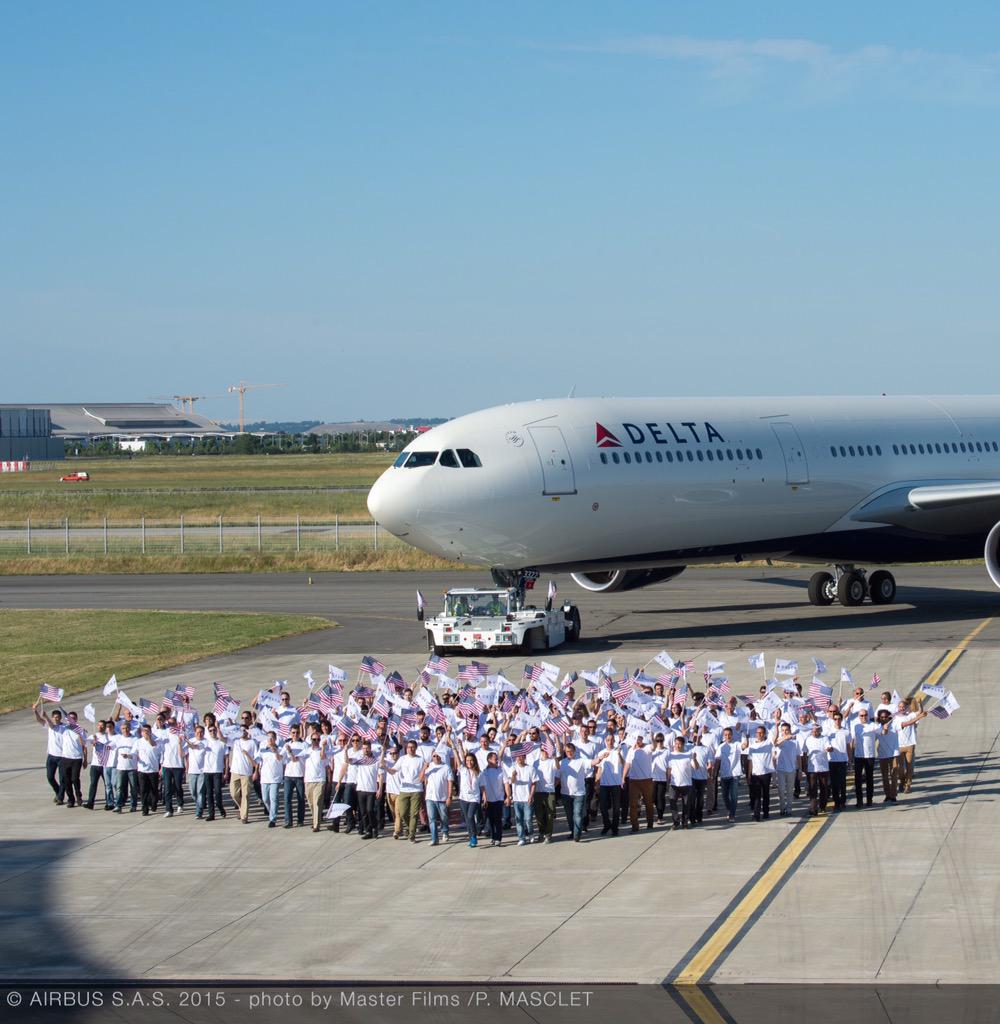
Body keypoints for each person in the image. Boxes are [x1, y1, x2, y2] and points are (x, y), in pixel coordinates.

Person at [385, 740, 425, 843]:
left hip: (417, 789)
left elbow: (423, 775)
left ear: (416, 748)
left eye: (412, 747)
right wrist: (385, 767)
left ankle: (412, 835)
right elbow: (393, 771)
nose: (410, 749)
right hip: (404, 789)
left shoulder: (421, 760)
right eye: (408, 747)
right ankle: (409, 827)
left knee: (414, 813)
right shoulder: (402, 759)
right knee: (402, 813)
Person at [33, 702, 67, 803]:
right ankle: (58, 792)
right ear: (52, 717)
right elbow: (40, 720)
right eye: (54, 717)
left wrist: (46, 716)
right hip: (51, 756)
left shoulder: (64, 727)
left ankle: (60, 797)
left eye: (58, 717)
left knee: (62, 778)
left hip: (62, 756)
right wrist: (35, 711)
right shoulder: (49, 725)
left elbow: (52, 726)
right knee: (50, 777)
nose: (56, 719)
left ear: (60, 718)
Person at [623, 734, 655, 832]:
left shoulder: (648, 747)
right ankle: (634, 826)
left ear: (642, 739)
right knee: (633, 804)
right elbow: (627, 764)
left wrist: (652, 737)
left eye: (640, 739)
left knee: (648, 803)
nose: (638, 741)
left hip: (646, 780)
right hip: (633, 780)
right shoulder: (631, 750)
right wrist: (623, 777)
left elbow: (654, 746)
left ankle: (650, 823)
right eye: (636, 739)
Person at [594, 734, 625, 836]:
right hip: (604, 783)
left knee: (616, 807)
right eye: (608, 740)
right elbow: (599, 768)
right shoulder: (601, 753)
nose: (610, 742)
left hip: (616, 783)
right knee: (603, 807)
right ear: (605, 741)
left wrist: (619, 754)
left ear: (614, 741)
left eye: (612, 740)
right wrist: (597, 782)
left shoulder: (618, 751)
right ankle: (607, 825)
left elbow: (623, 763)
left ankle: (615, 828)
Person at [894, 699, 927, 793]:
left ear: (907, 708)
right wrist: (919, 717)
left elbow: (920, 711)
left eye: (903, 707)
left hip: (909, 745)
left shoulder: (910, 715)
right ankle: (902, 781)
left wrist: (920, 704)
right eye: (900, 707)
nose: (901, 708)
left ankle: (908, 785)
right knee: (900, 768)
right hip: (899, 745)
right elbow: (906, 724)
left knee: (909, 767)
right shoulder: (895, 718)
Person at [421, 750, 452, 845]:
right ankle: (434, 838)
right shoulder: (429, 766)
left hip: (442, 797)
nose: (436, 757)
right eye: (434, 756)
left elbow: (450, 782)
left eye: (438, 756)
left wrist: (449, 797)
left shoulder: (446, 767)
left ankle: (445, 831)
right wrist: (424, 768)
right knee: (432, 819)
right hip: (430, 797)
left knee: (444, 817)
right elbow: (421, 779)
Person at [354, 740, 383, 839]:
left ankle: (374, 827)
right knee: (363, 812)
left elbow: (380, 775)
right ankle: (368, 831)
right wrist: (345, 750)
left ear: (370, 748)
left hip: (371, 789)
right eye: (363, 748)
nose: (365, 750)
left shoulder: (376, 761)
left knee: (370, 810)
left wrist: (380, 789)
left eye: (367, 748)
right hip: (360, 789)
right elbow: (347, 761)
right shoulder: (360, 760)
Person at [745, 725, 775, 822]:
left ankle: (766, 812)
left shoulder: (768, 743)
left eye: (761, 732)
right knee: (757, 795)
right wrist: (749, 774)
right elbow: (750, 761)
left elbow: (775, 737)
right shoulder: (752, 746)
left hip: (766, 773)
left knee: (766, 794)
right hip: (755, 774)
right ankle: (756, 815)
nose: (759, 734)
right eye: (758, 732)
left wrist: (777, 725)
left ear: (764, 734)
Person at [506, 752, 537, 846]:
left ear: (524, 757)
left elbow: (534, 783)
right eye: (517, 757)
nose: (519, 758)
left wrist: (531, 795)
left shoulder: (530, 768)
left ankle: (531, 834)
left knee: (528, 819)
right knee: (519, 820)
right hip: (517, 799)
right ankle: (521, 838)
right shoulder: (513, 768)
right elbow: (511, 782)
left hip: (527, 798)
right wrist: (513, 776)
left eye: (521, 756)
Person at [666, 735, 697, 829]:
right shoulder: (670, 755)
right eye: (676, 743)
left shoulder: (689, 754)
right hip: (674, 784)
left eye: (679, 744)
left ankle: (685, 822)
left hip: (686, 784)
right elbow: (669, 769)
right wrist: (667, 781)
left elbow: (696, 767)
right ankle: (676, 821)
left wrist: (694, 759)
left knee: (686, 805)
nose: (677, 745)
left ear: (683, 745)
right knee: (672, 802)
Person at [227, 727, 257, 824]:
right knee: (234, 793)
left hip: (247, 772)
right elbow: (223, 739)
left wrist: (256, 771)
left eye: (244, 730)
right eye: (241, 730)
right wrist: (218, 728)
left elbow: (256, 760)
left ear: (248, 731)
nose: (242, 732)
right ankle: (242, 808)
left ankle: (244, 816)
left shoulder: (252, 743)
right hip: (235, 771)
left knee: (246, 795)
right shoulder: (235, 741)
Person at [851, 708, 879, 807]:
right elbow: (852, 740)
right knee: (857, 779)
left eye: (865, 715)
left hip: (869, 755)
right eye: (861, 715)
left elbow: (882, 732)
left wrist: (884, 728)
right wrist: (851, 756)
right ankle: (859, 801)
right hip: (858, 755)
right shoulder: (855, 726)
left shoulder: (873, 725)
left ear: (868, 715)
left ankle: (869, 800)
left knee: (869, 778)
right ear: (859, 716)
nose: (864, 717)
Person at [803, 721, 832, 815]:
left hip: (823, 767)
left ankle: (823, 806)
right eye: (813, 731)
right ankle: (813, 808)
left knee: (824, 788)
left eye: (817, 731)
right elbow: (804, 753)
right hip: (812, 768)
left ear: (820, 731)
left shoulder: (824, 738)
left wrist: (829, 749)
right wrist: (804, 766)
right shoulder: (808, 739)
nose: (815, 732)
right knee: (812, 789)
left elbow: (829, 747)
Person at [479, 751, 507, 846]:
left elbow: (506, 784)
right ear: (489, 760)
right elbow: (482, 786)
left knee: (498, 819)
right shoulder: (484, 772)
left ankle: (498, 838)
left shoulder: (501, 770)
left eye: (497, 759)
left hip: (499, 799)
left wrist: (508, 796)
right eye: (495, 759)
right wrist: (484, 798)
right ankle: (493, 837)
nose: (497, 760)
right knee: (490, 820)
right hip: (488, 800)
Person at [257, 732, 285, 827]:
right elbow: (258, 761)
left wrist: (275, 751)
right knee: (265, 799)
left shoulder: (280, 749)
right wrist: (257, 770)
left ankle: (273, 819)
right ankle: (271, 813)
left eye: (272, 737)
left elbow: (280, 759)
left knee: (274, 798)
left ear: (275, 739)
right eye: (268, 738)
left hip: (275, 778)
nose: (270, 739)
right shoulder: (262, 749)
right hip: (264, 778)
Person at [715, 727, 743, 822]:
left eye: (729, 734)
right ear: (724, 736)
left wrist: (745, 737)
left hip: (735, 774)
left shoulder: (737, 744)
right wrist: (715, 773)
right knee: (724, 796)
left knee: (734, 796)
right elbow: (717, 760)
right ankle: (729, 809)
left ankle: (732, 814)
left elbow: (744, 746)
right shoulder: (721, 746)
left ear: (732, 735)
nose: (728, 736)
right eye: (726, 735)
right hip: (724, 774)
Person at [201, 724, 228, 820]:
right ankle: (211, 814)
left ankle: (220, 807)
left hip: (218, 771)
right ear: (208, 732)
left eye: (214, 730)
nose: (212, 732)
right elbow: (195, 747)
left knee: (217, 792)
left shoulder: (222, 743)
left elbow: (226, 758)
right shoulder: (205, 742)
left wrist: (226, 772)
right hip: (207, 771)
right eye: (210, 730)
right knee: (209, 793)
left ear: (217, 731)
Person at [84, 720, 113, 810]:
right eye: (99, 725)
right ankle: (90, 803)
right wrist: (91, 741)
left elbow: (111, 747)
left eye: (102, 725)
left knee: (107, 785)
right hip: (95, 764)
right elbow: (85, 743)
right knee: (93, 784)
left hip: (105, 764)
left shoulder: (108, 736)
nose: (100, 727)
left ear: (105, 727)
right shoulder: (94, 736)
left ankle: (109, 803)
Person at [455, 750, 482, 847]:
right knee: (467, 819)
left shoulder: (479, 772)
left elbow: (482, 786)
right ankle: (471, 837)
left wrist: (484, 796)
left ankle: (474, 836)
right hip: (464, 798)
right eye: (467, 760)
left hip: (474, 798)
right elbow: (458, 758)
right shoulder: (463, 770)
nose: (469, 762)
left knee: (470, 816)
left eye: (471, 760)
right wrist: (455, 747)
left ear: (474, 761)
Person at [533, 742, 558, 843]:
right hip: (538, 791)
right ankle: (541, 832)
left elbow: (558, 767)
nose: (545, 752)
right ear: (540, 751)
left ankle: (548, 835)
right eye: (543, 750)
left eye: (547, 750)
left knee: (550, 814)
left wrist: (555, 757)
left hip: (549, 791)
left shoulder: (552, 761)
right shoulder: (535, 763)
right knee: (539, 814)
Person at [111, 721, 139, 813]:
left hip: (132, 767)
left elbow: (137, 753)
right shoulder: (118, 739)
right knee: (119, 787)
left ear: (130, 728)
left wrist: (129, 756)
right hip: (121, 767)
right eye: (123, 728)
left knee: (133, 788)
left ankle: (133, 805)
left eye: (127, 728)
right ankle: (118, 805)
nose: (125, 730)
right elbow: (109, 747)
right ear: (121, 730)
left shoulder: (135, 739)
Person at [134, 725, 162, 816]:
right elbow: (134, 753)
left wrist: (149, 738)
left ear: (150, 732)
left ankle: (154, 803)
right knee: (143, 790)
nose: (145, 732)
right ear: (141, 732)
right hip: (142, 770)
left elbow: (154, 746)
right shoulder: (138, 742)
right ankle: (145, 808)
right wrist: (129, 756)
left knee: (154, 789)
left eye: (147, 731)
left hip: (153, 770)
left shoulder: (156, 740)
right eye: (144, 731)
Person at [826, 711, 850, 810]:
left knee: (842, 783)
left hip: (842, 760)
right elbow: (826, 745)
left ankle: (843, 801)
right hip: (832, 760)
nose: (837, 721)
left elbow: (848, 746)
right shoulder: (829, 732)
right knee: (834, 783)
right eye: (835, 719)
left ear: (841, 720)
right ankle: (836, 802)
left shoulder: (846, 732)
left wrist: (850, 759)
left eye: (839, 719)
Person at [773, 722, 799, 816]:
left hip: (791, 769)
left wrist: (799, 769)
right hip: (781, 769)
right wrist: (785, 737)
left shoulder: (795, 742)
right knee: (781, 789)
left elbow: (798, 755)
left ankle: (789, 808)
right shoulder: (780, 740)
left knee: (790, 790)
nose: (785, 732)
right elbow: (775, 743)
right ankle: (782, 807)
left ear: (790, 730)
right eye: (783, 730)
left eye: (786, 730)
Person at [875, 710, 900, 804]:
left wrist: (918, 717)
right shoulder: (877, 727)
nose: (884, 718)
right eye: (882, 717)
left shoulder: (894, 725)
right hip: (883, 755)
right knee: (885, 776)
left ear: (889, 717)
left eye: (885, 717)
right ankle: (887, 795)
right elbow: (880, 734)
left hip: (894, 753)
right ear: (879, 718)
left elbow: (905, 724)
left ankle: (893, 795)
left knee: (893, 775)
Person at [160, 726, 186, 818]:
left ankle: (180, 804)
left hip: (177, 766)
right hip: (167, 766)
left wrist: (180, 742)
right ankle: (169, 810)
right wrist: (161, 766)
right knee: (167, 788)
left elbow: (182, 754)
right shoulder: (165, 736)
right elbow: (162, 752)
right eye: (169, 724)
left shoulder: (181, 736)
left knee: (178, 787)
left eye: (173, 724)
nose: (171, 727)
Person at [185, 724, 207, 819]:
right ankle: (199, 804)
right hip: (192, 771)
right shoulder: (191, 740)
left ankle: (199, 812)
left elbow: (195, 747)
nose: (199, 734)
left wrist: (186, 740)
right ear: (195, 733)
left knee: (200, 792)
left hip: (203, 771)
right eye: (197, 732)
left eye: (201, 732)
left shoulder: (206, 742)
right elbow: (185, 754)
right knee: (193, 792)